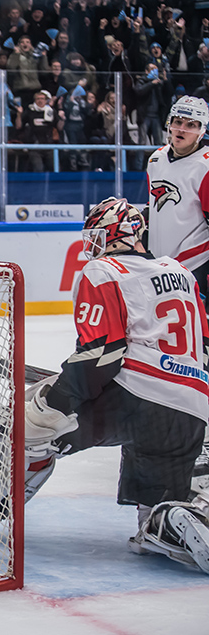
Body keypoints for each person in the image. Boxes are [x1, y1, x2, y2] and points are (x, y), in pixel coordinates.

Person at [0, 198, 209, 575]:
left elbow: (102, 354)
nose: (94, 243)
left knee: (30, 419)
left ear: (122, 233)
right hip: (191, 405)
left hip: (132, 398)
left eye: (100, 234)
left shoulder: (103, 270)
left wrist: (58, 399)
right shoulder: (180, 271)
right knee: (150, 521)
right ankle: (174, 520)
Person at [145, 95, 209, 494]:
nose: (182, 130)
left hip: (198, 267)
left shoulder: (205, 167)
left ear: (203, 131)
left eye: (192, 125)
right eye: (178, 122)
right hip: (161, 268)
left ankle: (202, 434)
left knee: (200, 349)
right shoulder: (154, 160)